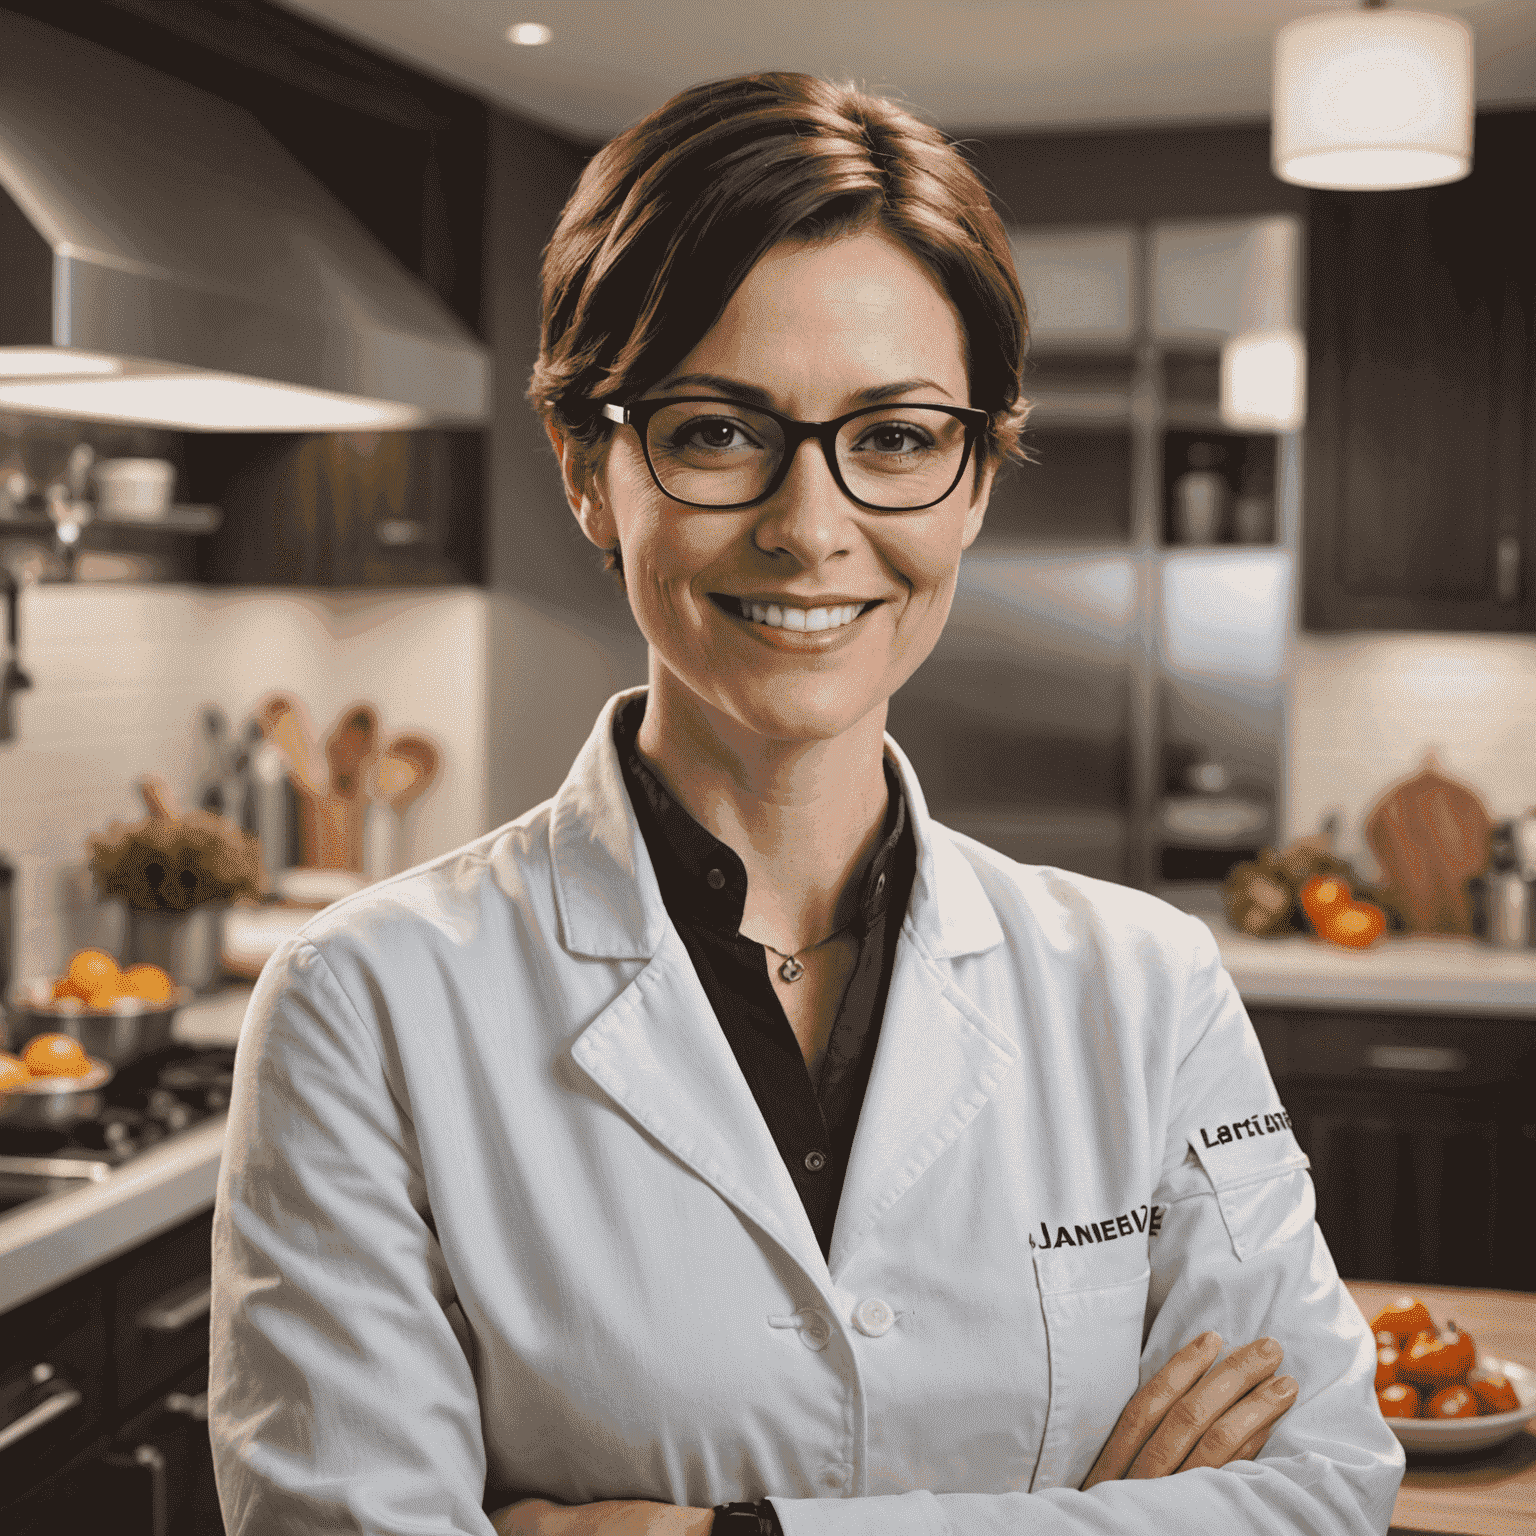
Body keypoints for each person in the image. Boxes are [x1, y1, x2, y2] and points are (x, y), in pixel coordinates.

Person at [209, 71, 1405, 1536]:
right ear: (592, 469)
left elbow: (1325, 1492)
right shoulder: (366, 1004)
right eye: (719, 431)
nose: (812, 526)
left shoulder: (1146, 990)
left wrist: (724, 1535)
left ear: (974, 481)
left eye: (897, 436)